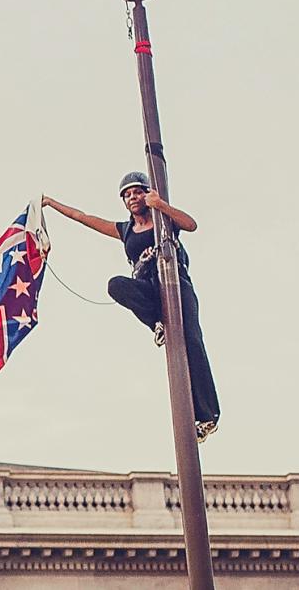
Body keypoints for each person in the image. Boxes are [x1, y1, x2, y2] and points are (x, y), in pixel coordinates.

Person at [42, 172, 220, 443]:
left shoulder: (163, 220)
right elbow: (83, 217)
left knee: (193, 343)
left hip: (176, 285)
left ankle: (207, 416)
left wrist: (161, 205)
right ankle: (157, 323)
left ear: (147, 194)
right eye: (127, 194)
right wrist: (52, 203)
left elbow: (191, 224)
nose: (132, 197)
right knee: (116, 284)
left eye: (137, 192)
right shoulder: (125, 230)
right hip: (147, 287)